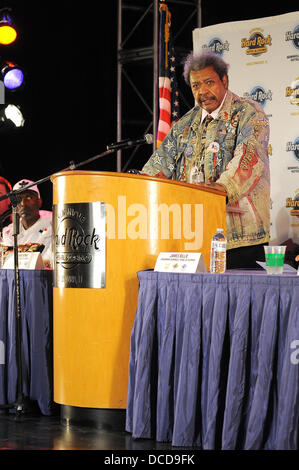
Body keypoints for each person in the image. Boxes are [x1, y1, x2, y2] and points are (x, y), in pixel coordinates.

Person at [142, 50, 270, 269]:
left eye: (209, 82)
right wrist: (139, 189)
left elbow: (248, 159)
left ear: (224, 80)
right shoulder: (183, 125)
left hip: (240, 242)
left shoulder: (249, 113)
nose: (202, 92)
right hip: (192, 239)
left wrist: (215, 191)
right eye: (195, 86)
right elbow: (156, 169)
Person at [3, 179, 53, 268]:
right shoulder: (9, 231)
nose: (23, 204)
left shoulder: (53, 225)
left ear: (39, 201)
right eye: (19, 199)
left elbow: (50, 261)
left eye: (29, 197)